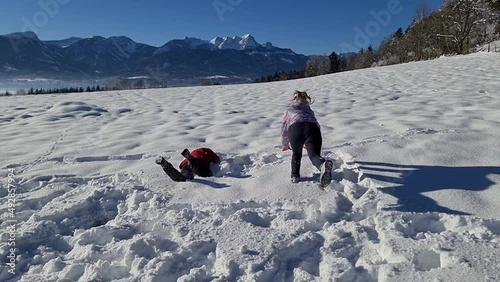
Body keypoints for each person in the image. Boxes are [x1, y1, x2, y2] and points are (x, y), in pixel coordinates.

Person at [281, 90, 333, 187]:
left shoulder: (290, 109)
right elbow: (317, 124)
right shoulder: (309, 110)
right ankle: (322, 165)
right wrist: (313, 139)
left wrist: (285, 144)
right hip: (313, 129)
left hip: (295, 128)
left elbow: (284, 127)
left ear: (295, 100)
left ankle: (295, 176)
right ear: (306, 101)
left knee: (296, 154)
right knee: (314, 155)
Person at [156, 148, 221, 182]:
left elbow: (180, 165)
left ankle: (165, 165)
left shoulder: (194, 153)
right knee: (205, 174)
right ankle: (192, 161)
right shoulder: (206, 150)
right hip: (199, 161)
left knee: (183, 178)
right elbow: (216, 159)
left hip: (185, 165)